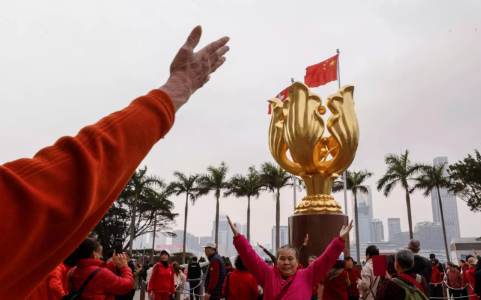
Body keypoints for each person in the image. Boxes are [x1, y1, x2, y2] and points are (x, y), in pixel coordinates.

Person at [0, 25, 230, 300]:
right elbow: (76, 173)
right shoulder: (66, 268)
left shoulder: (66, 269)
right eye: (99, 251)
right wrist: (172, 93)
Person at [228, 215, 353, 300]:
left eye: (290, 259)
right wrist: (238, 237)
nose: (286, 262)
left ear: (297, 261)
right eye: (282, 258)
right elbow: (251, 258)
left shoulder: (307, 276)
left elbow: (326, 259)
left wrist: (340, 240)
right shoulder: (267, 274)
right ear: (277, 261)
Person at [68, 237, 134, 299]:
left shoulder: (71, 273)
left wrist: (112, 263)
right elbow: (126, 285)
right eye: (100, 253)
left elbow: (95, 275)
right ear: (94, 254)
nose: (100, 257)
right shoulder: (102, 274)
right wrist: (125, 267)